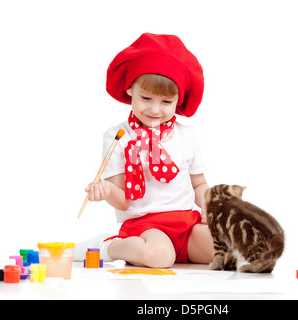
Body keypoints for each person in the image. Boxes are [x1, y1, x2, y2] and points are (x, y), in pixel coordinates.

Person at [74, 33, 214, 268]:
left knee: (228, 248)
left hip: (186, 225)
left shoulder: (186, 135)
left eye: (166, 102)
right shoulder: (118, 137)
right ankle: (106, 246)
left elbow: (199, 184)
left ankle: (178, 250)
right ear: (130, 89)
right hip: (143, 226)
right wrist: (107, 190)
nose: (155, 110)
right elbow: (124, 202)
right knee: (160, 256)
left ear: (178, 100)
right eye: (146, 98)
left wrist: (210, 206)